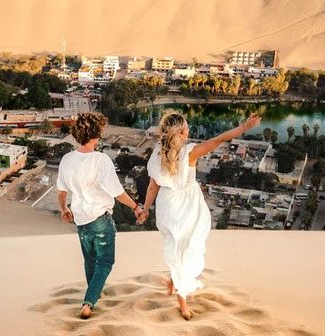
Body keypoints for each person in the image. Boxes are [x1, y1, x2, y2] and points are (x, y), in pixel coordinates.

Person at [143, 111, 261, 320]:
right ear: (180, 132)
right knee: (186, 250)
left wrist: (145, 210)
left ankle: (172, 282)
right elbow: (219, 139)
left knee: (177, 247)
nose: (189, 129)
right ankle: (182, 301)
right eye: (186, 127)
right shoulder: (190, 153)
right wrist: (243, 128)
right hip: (187, 207)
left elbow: (152, 187)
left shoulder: (157, 153)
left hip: (167, 206)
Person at [57, 112, 145, 319]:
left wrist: (64, 209)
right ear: (96, 135)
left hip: (80, 218)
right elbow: (118, 192)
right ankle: (89, 303)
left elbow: (61, 192)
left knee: (90, 260)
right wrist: (136, 207)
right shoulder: (101, 160)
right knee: (105, 262)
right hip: (99, 218)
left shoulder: (67, 159)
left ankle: (93, 292)